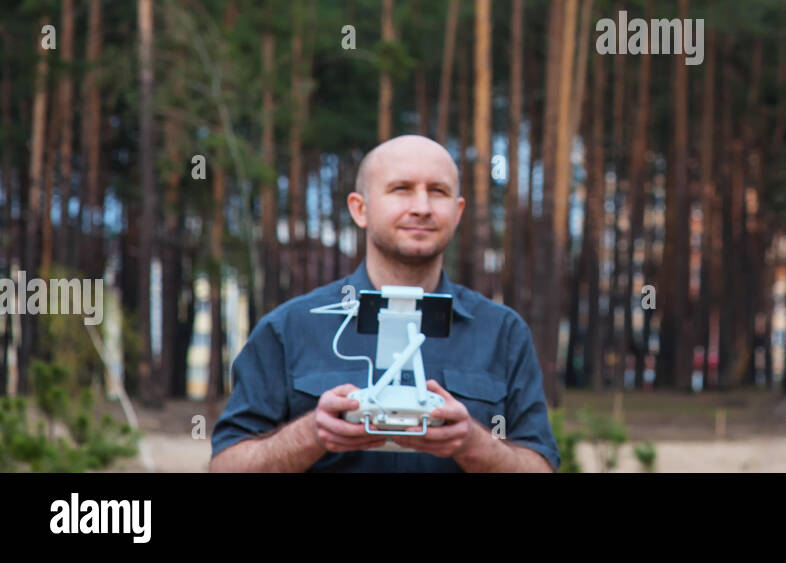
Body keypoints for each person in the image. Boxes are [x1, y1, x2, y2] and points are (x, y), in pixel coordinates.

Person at [209, 134, 559, 472]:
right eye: (401, 189)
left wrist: (473, 444)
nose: (421, 208)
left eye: (438, 192)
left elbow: (540, 466)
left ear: (458, 211)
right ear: (359, 209)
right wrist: (311, 435)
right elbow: (225, 466)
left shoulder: (502, 333)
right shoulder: (288, 329)